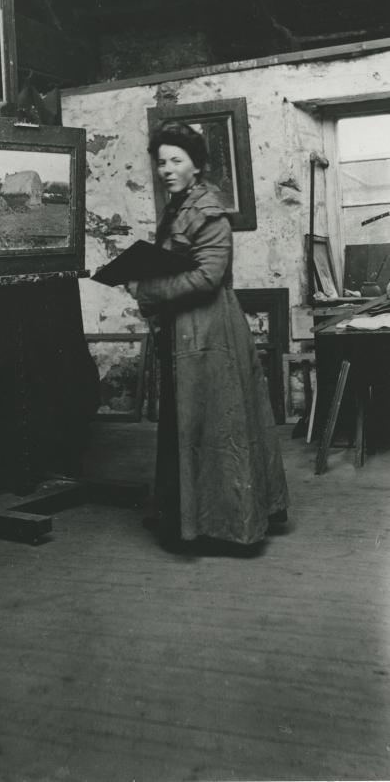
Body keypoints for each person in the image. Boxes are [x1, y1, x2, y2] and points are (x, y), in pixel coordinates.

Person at [126, 121, 289, 549]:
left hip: (209, 327)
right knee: (186, 423)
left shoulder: (208, 211)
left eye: (176, 160)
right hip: (183, 328)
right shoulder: (179, 207)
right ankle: (183, 516)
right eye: (161, 162)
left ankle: (226, 523)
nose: (166, 169)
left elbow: (207, 277)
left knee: (215, 425)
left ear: (196, 166)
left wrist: (146, 289)